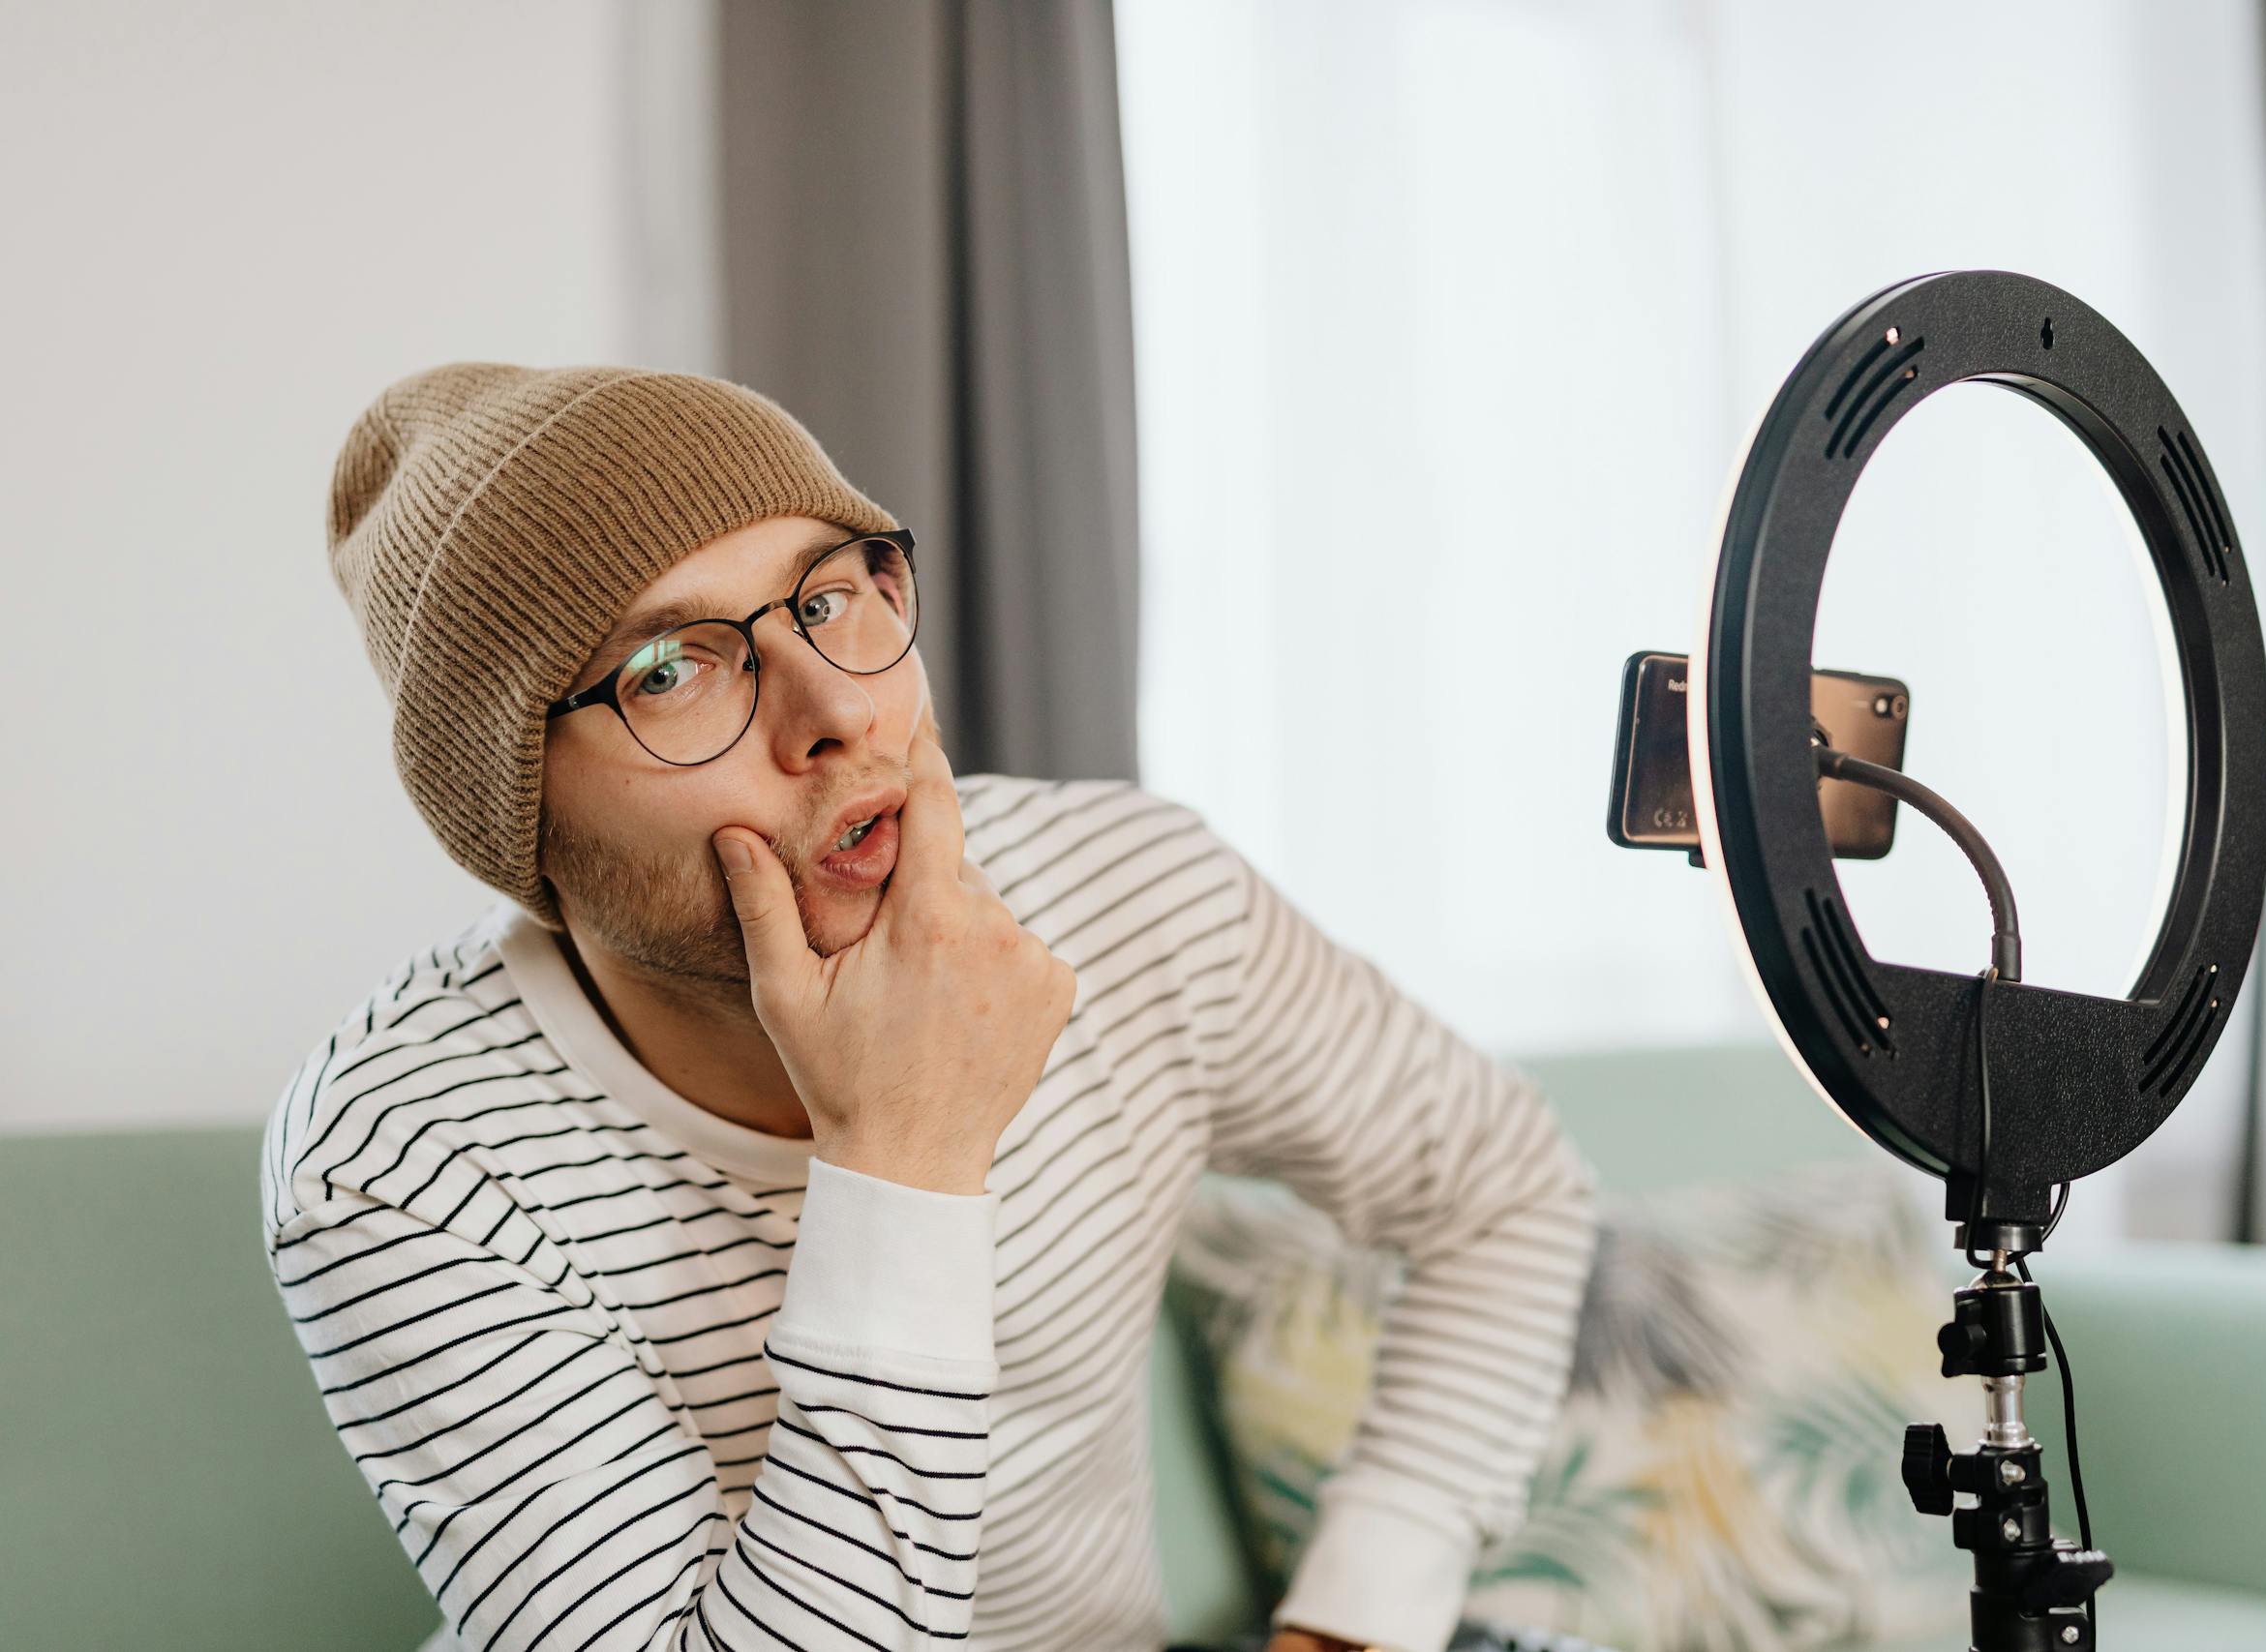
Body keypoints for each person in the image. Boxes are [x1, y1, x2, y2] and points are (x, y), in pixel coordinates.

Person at [263, 363, 1600, 1652]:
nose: (842, 708)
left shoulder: (1134, 895)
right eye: (670, 668)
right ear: (518, 814)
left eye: (832, 595)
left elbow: (1502, 1188)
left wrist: (1358, 1617)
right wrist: (904, 1156)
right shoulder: (396, 1155)